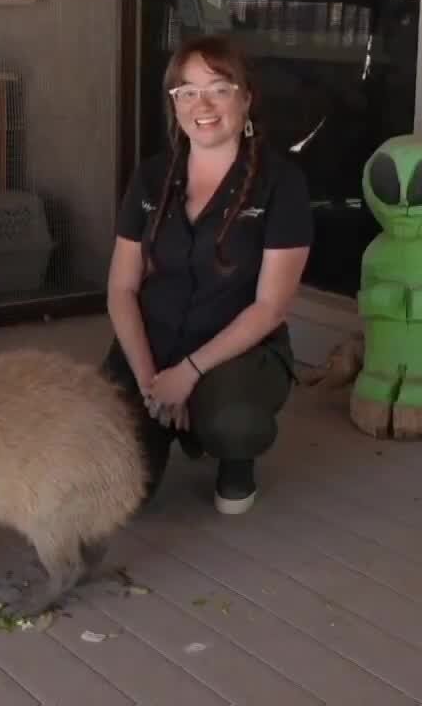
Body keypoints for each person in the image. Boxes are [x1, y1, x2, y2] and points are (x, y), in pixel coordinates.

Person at [104, 35, 313, 515]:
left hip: (235, 353)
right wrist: (150, 383)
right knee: (123, 497)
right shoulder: (151, 177)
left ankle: (231, 453)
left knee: (233, 421)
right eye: (187, 91)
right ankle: (169, 423)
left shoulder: (281, 184)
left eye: (219, 88)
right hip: (149, 349)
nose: (203, 104)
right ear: (174, 102)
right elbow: (121, 287)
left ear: (246, 97)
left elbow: (270, 306)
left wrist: (189, 374)